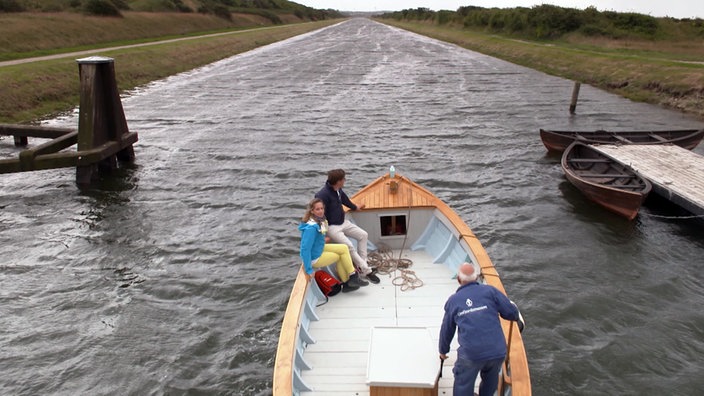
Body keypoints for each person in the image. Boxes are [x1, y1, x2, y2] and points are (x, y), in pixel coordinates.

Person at [439, 263, 520, 396]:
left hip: (471, 354)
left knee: (463, 383)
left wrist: (443, 350)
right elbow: (512, 314)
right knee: (490, 382)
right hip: (497, 351)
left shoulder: (453, 301)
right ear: (476, 278)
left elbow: (447, 330)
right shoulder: (490, 291)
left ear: (459, 280)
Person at [315, 169, 380, 284]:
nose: (345, 180)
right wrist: (323, 234)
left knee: (363, 235)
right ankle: (367, 271)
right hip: (332, 227)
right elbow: (319, 215)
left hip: (343, 222)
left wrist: (355, 207)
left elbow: (345, 200)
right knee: (349, 246)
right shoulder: (322, 195)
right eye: (343, 179)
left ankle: (362, 266)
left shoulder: (338, 189)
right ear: (338, 181)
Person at [298, 198, 368, 292]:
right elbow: (305, 249)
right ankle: (348, 281)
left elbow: (321, 235)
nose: (320, 211)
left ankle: (351, 278)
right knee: (339, 256)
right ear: (312, 211)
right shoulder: (311, 228)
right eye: (317, 209)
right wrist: (309, 269)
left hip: (319, 248)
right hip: (314, 257)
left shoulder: (321, 220)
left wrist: (322, 240)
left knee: (344, 248)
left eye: (322, 208)